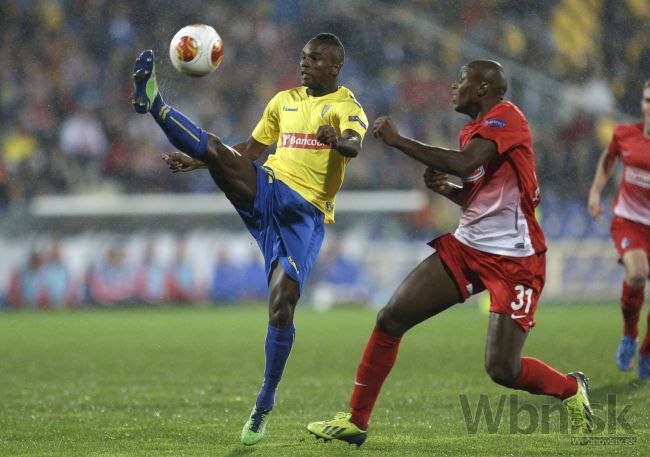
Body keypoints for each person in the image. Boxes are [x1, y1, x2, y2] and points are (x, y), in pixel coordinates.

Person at [307, 60, 593, 446]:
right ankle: (357, 422)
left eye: (461, 81)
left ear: (482, 88)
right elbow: (481, 198)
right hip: (467, 248)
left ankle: (571, 389)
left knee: (502, 368)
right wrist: (448, 192)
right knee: (391, 318)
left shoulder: (506, 117)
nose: (453, 87)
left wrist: (399, 141)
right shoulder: (471, 131)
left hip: (515, 261)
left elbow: (464, 164)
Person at [131, 33, 368, 445]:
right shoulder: (283, 101)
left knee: (281, 308)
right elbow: (249, 150)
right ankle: (155, 103)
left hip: (303, 212)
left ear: (335, 66)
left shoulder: (348, 108)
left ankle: (265, 401)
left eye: (314, 59)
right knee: (220, 150)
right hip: (267, 189)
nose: (304, 64)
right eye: (302, 57)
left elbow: (353, 144)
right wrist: (199, 161)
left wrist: (337, 142)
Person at [588, 79, 650, 380]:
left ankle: (647, 352)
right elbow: (609, 157)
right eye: (648, 100)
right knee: (637, 274)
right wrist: (595, 192)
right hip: (630, 220)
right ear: (642, 104)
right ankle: (629, 335)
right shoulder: (626, 134)